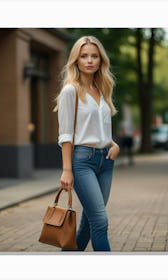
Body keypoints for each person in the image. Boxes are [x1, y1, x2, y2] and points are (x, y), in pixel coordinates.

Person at [53, 35, 120, 251]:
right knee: (100, 222)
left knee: (89, 225)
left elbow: (98, 129)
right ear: (76, 60)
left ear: (101, 60)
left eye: (94, 56)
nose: (89, 60)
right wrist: (66, 170)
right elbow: (66, 134)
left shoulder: (102, 90)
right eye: (84, 56)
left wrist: (113, 144)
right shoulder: (70, 91)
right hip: (82, 162)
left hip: (106, 161)